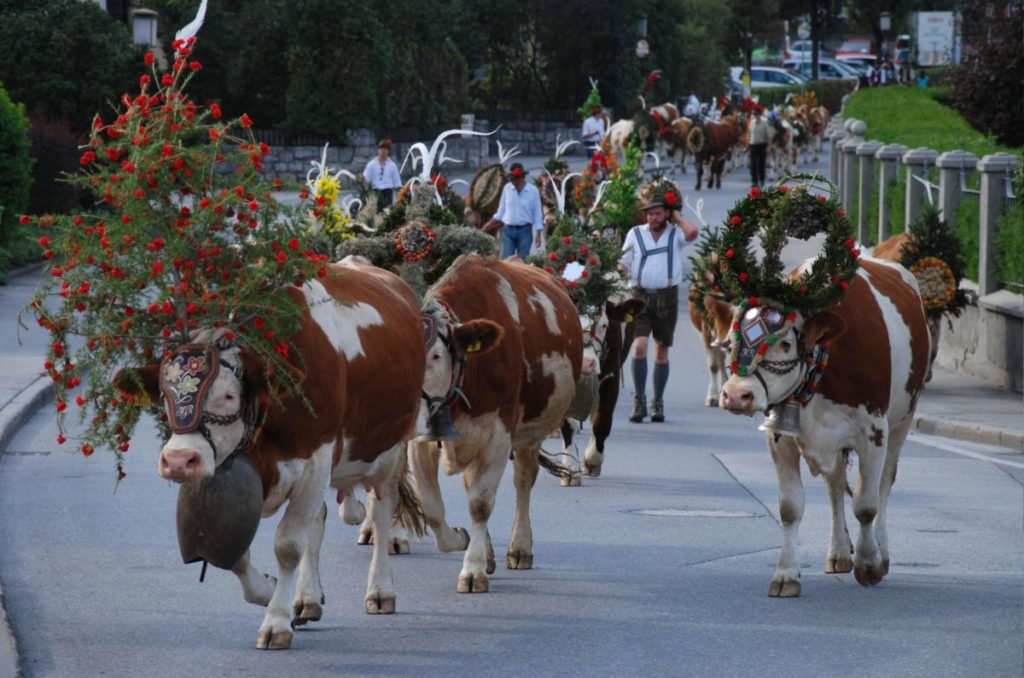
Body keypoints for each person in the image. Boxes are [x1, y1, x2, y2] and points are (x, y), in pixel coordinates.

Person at [617, 181, 699, 423]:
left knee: (661, 350)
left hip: (667, 298)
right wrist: (619, 270)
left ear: (666, 214)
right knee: (639, 346)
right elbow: (625, 260)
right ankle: (639, 400)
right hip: (639, 297)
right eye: (650, 213)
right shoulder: (635, 233)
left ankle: (657, 402)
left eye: (658, 212)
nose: (653, 217)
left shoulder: (675, 234)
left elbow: (692, 233)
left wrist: (677, 216)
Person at [482, 163, 543, 259]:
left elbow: (537, 212)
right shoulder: (507, 188)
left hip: (525, 231)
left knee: (522, 262)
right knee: (506, 262)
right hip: (508, 231)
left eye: (513, 178)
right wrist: (488, 224)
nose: (511, 181)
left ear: (520, 178)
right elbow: (501, 211)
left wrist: (539, 234)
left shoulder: (533, 191)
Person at [362, 139, 402, 207]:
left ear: (388, 151)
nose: (383, 151)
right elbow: (365, 179)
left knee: (387, 215)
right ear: (378, 150)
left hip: (388, 194)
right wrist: (361, 180)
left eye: (385, 149)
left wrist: (399, 199)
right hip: (375, 194)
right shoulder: (371, 165)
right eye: (381, 149)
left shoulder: (392, 166)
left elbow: (397, 184)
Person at [746, 105, 771, 188]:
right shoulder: (751, 123)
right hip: (753, 145)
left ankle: (762, 180)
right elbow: (749, 135)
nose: (756, 116)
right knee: (753, 165)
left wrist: (768, 147)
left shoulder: (765, 124)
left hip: (762, 145)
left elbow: (769, 136)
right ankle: (754, 181)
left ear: (760, 114)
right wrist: (747, 146)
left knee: (761, 164)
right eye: (754, 114)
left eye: (757, 114)